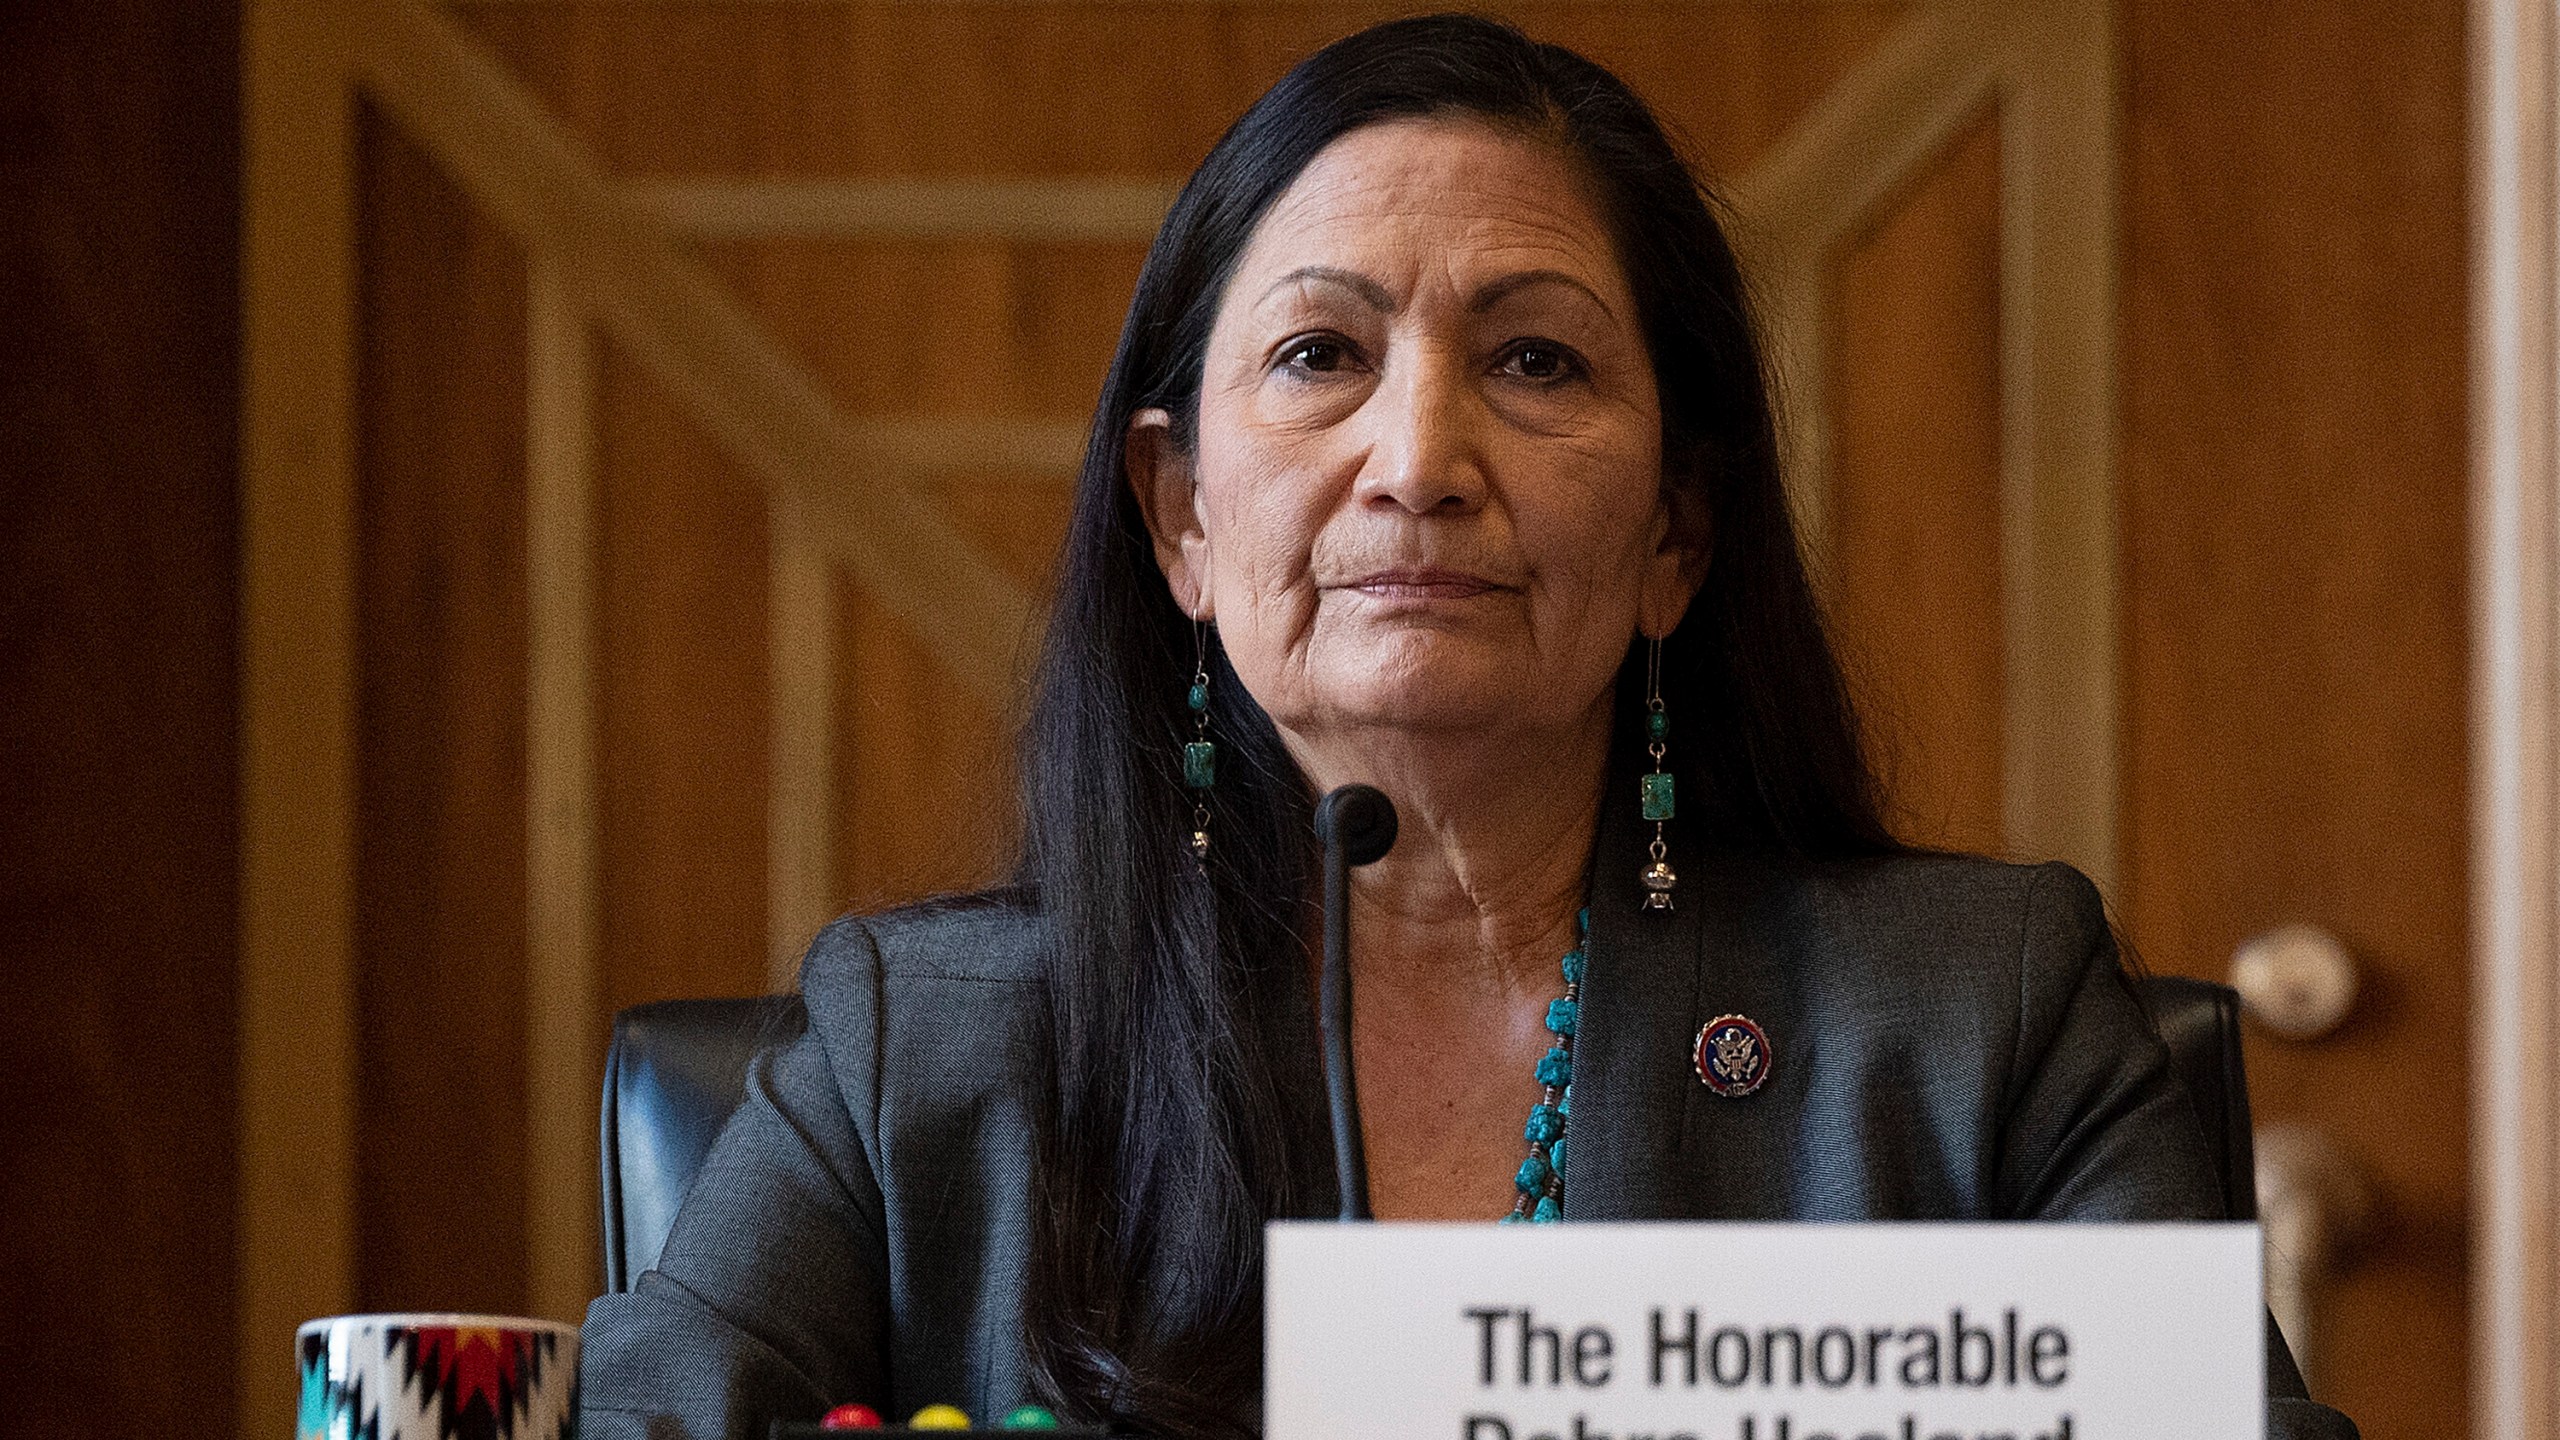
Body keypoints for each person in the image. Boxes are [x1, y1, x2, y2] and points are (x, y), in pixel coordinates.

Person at [577, 15, 2356, 1440]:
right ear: (1183, 515)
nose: (1419, 463)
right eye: (1317, 357)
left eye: (1536, 362)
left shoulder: (1983, 1025)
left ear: (1676, 536)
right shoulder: (919, 1062)